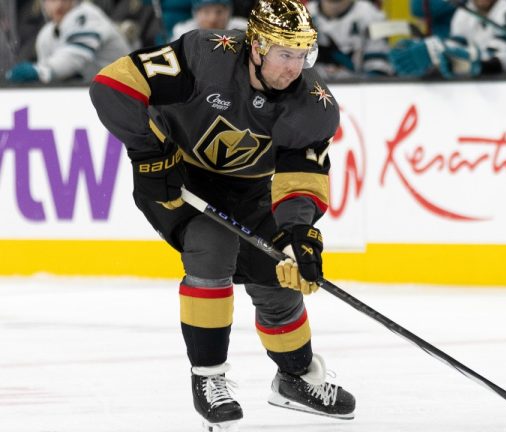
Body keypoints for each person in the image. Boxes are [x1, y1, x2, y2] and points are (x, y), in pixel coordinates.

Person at [88, 0, 355, 430]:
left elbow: (301, 176)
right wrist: (148, 153)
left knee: (278, 270)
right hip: (177, 177)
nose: (294, 67)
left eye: (302, 54)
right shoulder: (205, 55)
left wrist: (298, 232)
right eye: (284, 54)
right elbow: (112, 85)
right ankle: (209, 379)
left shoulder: (313, 105)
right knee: (212, 248)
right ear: (256, 46)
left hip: (249, 191)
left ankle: (295, 378)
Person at [5, 0, 130, 83]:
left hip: (126, 90)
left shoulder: (87, 16)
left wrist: (38, 71)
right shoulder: (46, 34)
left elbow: (72, 60)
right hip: (100, 95)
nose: (59, 5)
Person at [306, 0, 392, 79]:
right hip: (311, 90)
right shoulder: (303, 14)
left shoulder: (372, 15)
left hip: (357, 91)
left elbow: (379, 71)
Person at [171, 0, 247, 41]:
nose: (213, 19)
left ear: (229, 12)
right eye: (206, 12)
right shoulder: (183, 33)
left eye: (219, 12)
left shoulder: (243, 29)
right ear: (196, 13)